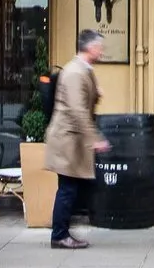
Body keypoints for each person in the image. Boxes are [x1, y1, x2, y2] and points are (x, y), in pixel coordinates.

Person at [44, 28, 109, 251]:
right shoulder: (75, 72)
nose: (101, 52)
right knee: (67, 189)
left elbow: (85, 101)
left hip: (72, 139)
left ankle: (61, 233)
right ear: (90, 48)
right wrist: (95, 138)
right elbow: (78, 110)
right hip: (67, 139)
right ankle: (59, 235)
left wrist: (97, 93)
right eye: (99, 47)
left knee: (70, 187)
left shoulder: (84, 70)